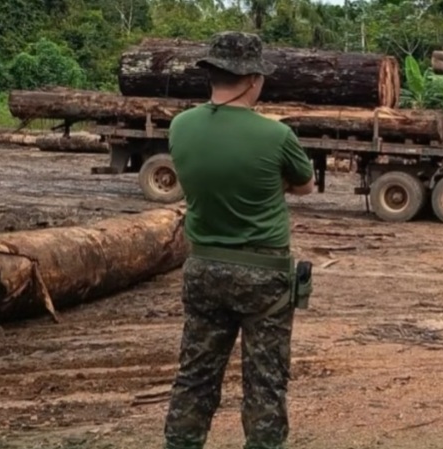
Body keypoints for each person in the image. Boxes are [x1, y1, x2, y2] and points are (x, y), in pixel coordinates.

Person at [163, 31, 315, 449]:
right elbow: (305, 186)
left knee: (194, 376)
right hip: (264, 275)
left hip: (203, 268)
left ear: (212, 73)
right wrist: (272, 183)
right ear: (252, 79)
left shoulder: (180, 126)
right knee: (265, 381)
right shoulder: (276, 135)